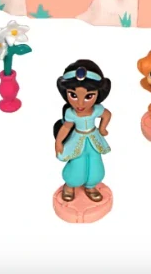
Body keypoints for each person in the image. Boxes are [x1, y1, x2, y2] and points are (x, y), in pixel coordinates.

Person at [53, 59, 112, 202]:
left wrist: (103, 128)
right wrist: (59, 142)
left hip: (93, 139)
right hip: (77, 139)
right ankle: (70, 185)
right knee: (77, 163)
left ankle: (91, 185)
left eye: (88, 96)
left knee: (95, 164)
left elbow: (107, 115)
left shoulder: (96, 110)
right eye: (73, 95)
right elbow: (66, 127)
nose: (80, 103)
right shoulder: (71, 114)